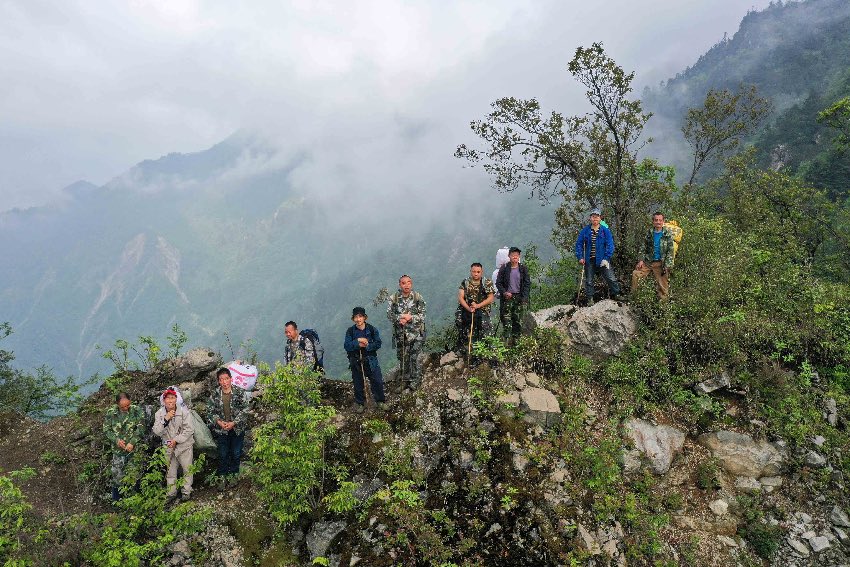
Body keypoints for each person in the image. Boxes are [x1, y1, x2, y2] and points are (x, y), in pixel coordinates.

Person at [207, 367, 249, 485]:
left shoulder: (239, 392)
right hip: (222, 430)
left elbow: (245, 409)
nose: (224, 382)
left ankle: (234, 475)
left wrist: (234, 422)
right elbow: (209, 412)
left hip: (237, 429)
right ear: (218, 381)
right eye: (222, 380)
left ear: (231, 379)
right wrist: (219, 422)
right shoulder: (215, 395)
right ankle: (222, 477)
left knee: (236, 453)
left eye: (226, 379)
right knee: (223, 453)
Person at [152, 387, 195, 504]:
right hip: (168, 447)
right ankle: (171, 493)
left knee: (187, 469)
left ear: (176, 399)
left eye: (172, 398)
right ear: (163, 400)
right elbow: (156, 431)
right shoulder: (159, 414)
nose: (170, 401)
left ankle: (186, 493)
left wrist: (176, 440)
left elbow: (189, 430)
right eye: (167, 398)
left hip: (184, 446)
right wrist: (165, 419)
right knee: (170, 472)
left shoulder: (184, 412)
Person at [574, 208, 625, 305]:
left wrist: (606, 258)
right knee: (589, 280)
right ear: (590, 218)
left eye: (597, 217)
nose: (595, 219)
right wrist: (580, 257)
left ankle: (617, 293)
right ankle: (590, 299)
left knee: (611, 278)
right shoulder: (585, 231)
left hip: (603, 260)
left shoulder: (605, 231)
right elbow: (579, 244)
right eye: (593, 217)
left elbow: (610, 245)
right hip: (589, 260)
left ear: (600, 218)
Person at [386, 275, 427, 391]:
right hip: (401, 334)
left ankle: (415, 381)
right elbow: (389, 315)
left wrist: (410, 318)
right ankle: (404, 381)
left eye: (409, 282)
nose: (406, 285)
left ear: (411, 283)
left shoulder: (418, 297)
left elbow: (423, 315)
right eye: (404, 283)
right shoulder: (393, 298)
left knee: (415, 357)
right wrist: (401, 317)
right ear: (400, 285)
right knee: (403, 358)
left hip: (416, 333)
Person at [344, 307, 388, 413]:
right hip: (356, 361)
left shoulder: (372, 329)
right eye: (356, 317)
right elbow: (346, 346)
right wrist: (357, 341)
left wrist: (367, 345)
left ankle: (380, 401)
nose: (358, 319)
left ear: (364, 317)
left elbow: (378, 343)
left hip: (371, 360)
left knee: (377, 381)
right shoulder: (350, 331)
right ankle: (360, 403)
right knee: (358, 383)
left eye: (360, 316)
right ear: (353, 319)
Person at [103, 392, 145, 501]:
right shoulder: (111, 413)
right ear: (117, 405)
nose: (126, 408)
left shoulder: (136, 410)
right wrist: (116, 440)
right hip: (118, 451)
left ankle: (137, 500)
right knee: (117, 477)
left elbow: (141, 427)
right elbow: (106, 430)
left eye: (127, 405)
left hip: (134, 451)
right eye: (123, 407)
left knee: (135, 475)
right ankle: (117, 502)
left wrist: (133, 442)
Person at [631, 211, 675, 299]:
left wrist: (667, 266)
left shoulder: (667, 234)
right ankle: (634, 298)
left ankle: (663, 306)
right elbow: (643, 247)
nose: (658, 222)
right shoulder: (649, 233)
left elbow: (670, 251)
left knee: (663, 287)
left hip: (660, 264)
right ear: (653, 221)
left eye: (660, 220)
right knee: (636, 274)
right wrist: (641, 260)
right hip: (648, 262)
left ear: (663, 221)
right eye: (656, 220)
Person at [456, 263, 496, 359]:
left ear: (481, 272)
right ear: (471, 271)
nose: (476, 274)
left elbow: (490, 298)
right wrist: (468, 308)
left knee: (486, 331)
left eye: (478, 272)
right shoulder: (465, 282)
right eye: (474, 271)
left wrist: (477, 306)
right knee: (467, 330)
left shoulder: (486, 282)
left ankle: (491, 356)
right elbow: (461, 297)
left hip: (482, 310)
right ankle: (470, 354)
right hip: (467, 310)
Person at [495, 247, 531, 346]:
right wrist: (504, 292)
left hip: (519, 298)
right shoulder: (504, 268)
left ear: (519, 256)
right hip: (507, 299)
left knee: (518, 322)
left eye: (517, 255)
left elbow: (527, 284)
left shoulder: (523, 268)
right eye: (513, 254)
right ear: (509, 256)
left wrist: (524, 298)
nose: (515, 256)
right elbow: (498, 283)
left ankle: (516, 344)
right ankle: (505, 345)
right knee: (506, 321)